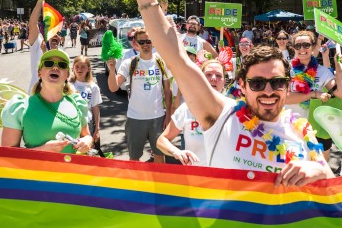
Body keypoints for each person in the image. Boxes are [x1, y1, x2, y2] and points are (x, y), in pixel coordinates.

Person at [122, 0, 334, 186]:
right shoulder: (222, 115)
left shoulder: (303, 132)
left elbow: (335, 192)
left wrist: (321, 172)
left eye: (277, 82)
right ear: (242, 85)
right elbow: (178, 60)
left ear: (287, 85)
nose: (268, 90)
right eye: (257, 83)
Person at [1, 50, 93, 154]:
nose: (55, 68)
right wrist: (41, 151)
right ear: (39, 72)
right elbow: (7, 155)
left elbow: (87, 135)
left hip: (73, 169)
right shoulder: (20, 107)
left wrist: (87, 141)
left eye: (62, 65)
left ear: (67, 75)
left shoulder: (77, 102)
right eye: (48, 64)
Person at [107, 27, 172, 163]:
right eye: (141, 42)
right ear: (136, 43)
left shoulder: (162, 62)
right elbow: (113, 87)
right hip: (135, 118)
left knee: (160, 155)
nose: (145, 45)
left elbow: (167, 91)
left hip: (158, 118)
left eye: (148, 41)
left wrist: (168, 115)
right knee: (134, 157)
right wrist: (112, 69)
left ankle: (160, 183)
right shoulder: (129, 63)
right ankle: (136, 184)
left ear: (153, 42)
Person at [285, 31, 342, 161]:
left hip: (313, 130)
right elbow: (284, 98)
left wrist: (339, 69)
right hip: (288, 126)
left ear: (314, 46)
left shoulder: (322, 71)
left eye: (306, 45)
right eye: (298, 46)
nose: (302, 49)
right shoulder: (286, 69)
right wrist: (314, 94)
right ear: (293, 48)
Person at [157, 59, 226, 166]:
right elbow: (161, 141)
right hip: (195, 177)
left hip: (224, 178)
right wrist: (177, 152)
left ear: (224, 81)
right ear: (200, 79)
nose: (213, 79)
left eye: (218, 75)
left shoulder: (234, 110)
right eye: (208, 74)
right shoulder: (186, 109)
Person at [27, 0, 63, 93]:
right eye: (53, 33)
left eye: (57, 34)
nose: (55, 36)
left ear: (60, 39)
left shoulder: (62, 54)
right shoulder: (38, 44)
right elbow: (32, 24)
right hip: (35, 98)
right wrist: (40, 1)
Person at [69, 55, 103, 151]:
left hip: (87, 123)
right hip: (71, 122)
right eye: (77, 66)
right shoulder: (67, 84)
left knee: (88, 150)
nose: (80, 69)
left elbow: (95, 108)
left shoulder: (93, 87)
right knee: (73, 149)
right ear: (73, 68)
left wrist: (97, 128)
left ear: (88, 69)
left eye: (83, 66)